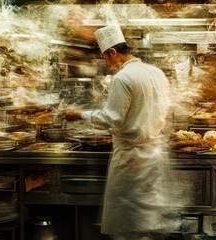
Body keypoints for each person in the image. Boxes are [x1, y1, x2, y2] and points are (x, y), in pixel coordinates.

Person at [62, 25, 172, 240]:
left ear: (112, 52)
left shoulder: (123, 78)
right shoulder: (156, 72)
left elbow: (112, 118)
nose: (106, 62)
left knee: (127, 222)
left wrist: (80, 115)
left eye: (105, 57)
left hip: (131, 157)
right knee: (147, 217)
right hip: (153, 154)